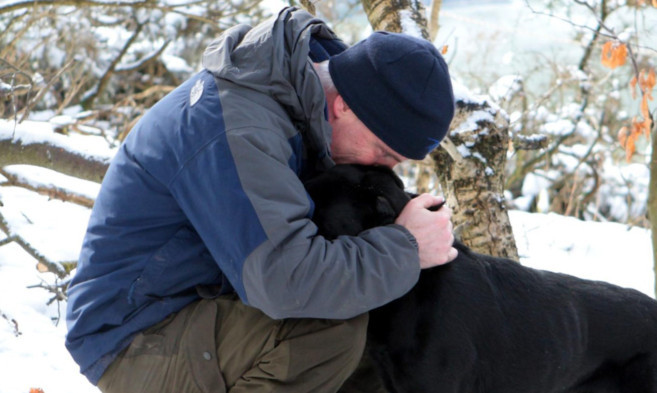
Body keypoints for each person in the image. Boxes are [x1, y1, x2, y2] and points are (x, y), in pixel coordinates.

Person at [65, 7, 457, 393]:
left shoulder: (292, 101)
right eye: (385, 153)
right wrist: (407, 249)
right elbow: (286, 281)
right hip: (133, 335)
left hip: (198, 305)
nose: (385, 169)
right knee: (329, 333)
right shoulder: (241, 126)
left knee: (367, 324)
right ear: (345, 105)